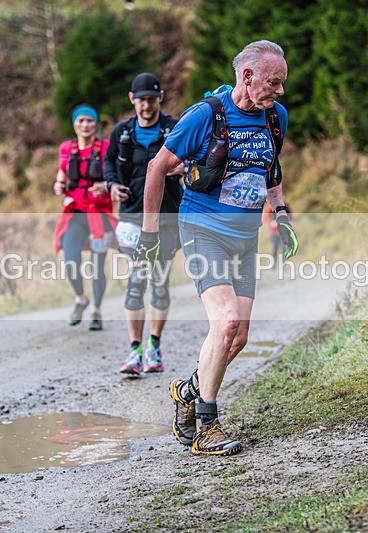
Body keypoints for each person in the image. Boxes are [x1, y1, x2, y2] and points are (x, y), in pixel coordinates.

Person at [135, 40, 299, 456]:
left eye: (281, 84)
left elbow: (270, 169)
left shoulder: (275, 116)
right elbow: (157, 168)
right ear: (247, 77)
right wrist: (151, 234)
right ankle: (207, 423)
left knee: (238, 337)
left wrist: (280, 212)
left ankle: (187, 391)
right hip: (202, 229)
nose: (280, 92)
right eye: (273, 82)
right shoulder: (206, 115)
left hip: (246, 237)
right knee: (225, 322)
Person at [103, 73, 183, 374]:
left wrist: (182, 168)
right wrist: (112, 184)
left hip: (167, 218)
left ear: (159, 97)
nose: (146, 106)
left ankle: (154, 346)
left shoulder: (173, 128)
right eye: (141, 100)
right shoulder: (122, 132)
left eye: (151, 99)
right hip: (131, 217)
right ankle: (134, 350)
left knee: (159, 283)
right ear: (132, 99)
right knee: (136, 282)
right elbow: (108, 161)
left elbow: (193, 160)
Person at [53, 104, 116, 330]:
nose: (85, 125)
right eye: (81, 121)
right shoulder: (66, 148)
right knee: (71, 260)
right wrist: (58, 185)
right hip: (75, 214)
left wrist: (106, 185)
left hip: (99, 215)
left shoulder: (106, 148)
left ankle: (97, 311)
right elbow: (62, 172)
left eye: (89, 121)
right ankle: (80, 298)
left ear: (95, 124)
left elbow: (114, 176)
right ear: (74, 125)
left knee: (98, 266)